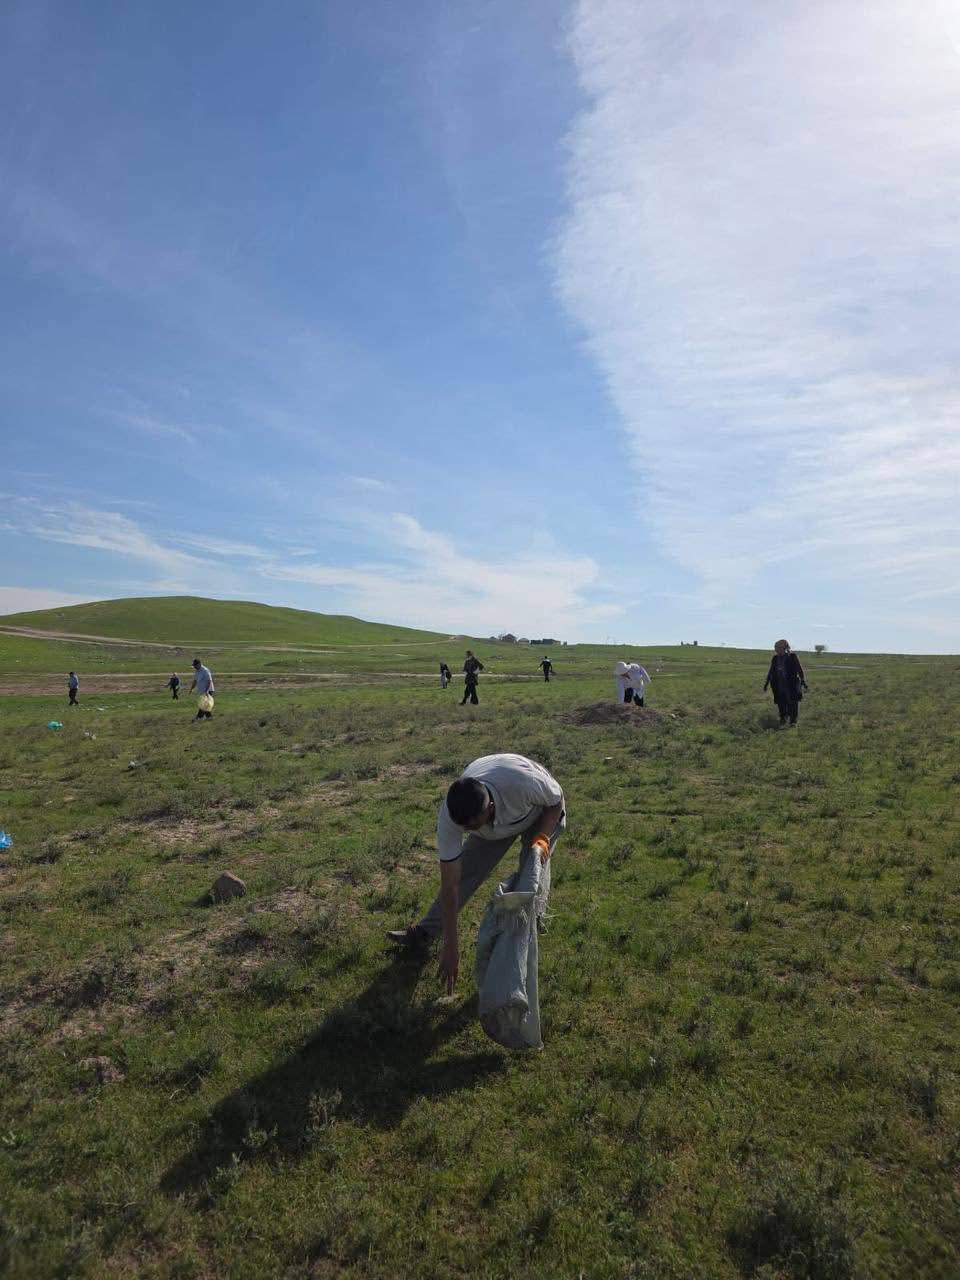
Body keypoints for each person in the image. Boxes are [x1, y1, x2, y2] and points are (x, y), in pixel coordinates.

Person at [387, 753, 565, 993]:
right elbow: (451, 884)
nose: (465, 831)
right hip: (493, 825)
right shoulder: (453, 816)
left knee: (529, 882)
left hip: (539, 813)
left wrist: (542, 840)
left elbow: (555, 801)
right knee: (465, 874)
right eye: (463, 827)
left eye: (471, 826)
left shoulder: (524, 784)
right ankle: (425, 933)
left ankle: (519, 953)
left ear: (489, 808)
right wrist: (451, 945)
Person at [763, 639, 808, 727]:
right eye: (775, 647)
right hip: (778, 683)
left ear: (783, 648)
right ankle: (783, 719)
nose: (775, 649)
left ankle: (793, 721)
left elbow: (799, 669)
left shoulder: (792, 656)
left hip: (791, 683)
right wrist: (767, 683)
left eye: (777, 647)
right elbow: (771, 671)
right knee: (781, 701)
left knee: (793, 702)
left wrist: (803, 680)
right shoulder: (775, 658)